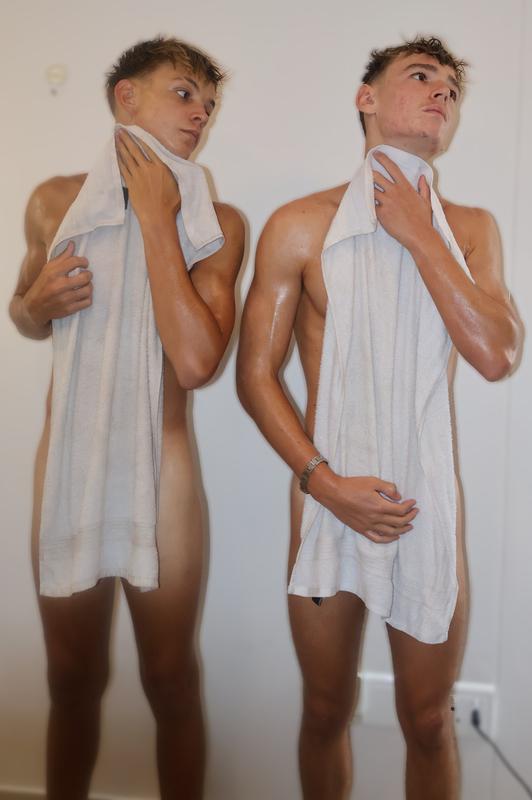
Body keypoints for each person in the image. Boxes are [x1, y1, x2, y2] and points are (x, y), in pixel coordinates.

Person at [237, 36, 520, 800]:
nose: (442, 92)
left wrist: (420, 233)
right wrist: (325, 485)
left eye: (452, 85)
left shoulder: (470, 229)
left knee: (427, 719)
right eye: (421, 76)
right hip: (326, 496)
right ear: (366, 98)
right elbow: (255, 376)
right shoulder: (301, 224)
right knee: (325, 709)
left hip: (424, 506)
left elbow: (496, 354)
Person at [9, 36, 244, 800]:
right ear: (126, 97)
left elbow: (197, 362)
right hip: (68, 462)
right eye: (185, 93)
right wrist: (34, 305)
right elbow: (24, 313)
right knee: (70, 677)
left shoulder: (218, 220)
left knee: (171, 678)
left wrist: (155, 218)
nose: (201, 113)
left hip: (162, 467)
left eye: (210, 104)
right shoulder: (53, 201)